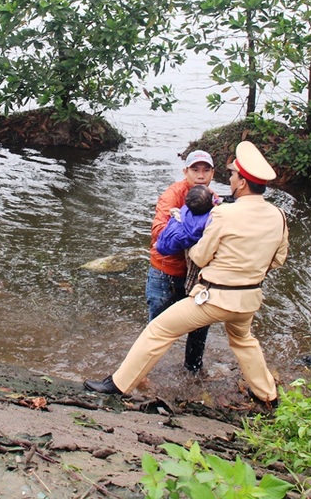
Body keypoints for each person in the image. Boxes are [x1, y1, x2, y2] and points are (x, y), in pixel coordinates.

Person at [84, 141, 288, 407]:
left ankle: (119, 384)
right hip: (248, 299)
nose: (231, 179)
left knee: (159, 330)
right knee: (243, 340)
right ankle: (268, 395)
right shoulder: (279, 215)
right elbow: (278, 260)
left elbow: (199, 256)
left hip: (216, 298)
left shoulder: (224, 214)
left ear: (243, 183)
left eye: (233, 176)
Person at [145, 150, 217, 373]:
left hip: (197, 275)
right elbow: (158, 233)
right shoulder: (173, 195)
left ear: (213, 174)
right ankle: (143, 372)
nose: (201, 175)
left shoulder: (211, 198)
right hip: (165, 272)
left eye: (206, 170)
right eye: (195, 170)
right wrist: (191, 228)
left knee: (199, 327)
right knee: (156, 328)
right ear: (185, 171)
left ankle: (193, 373)